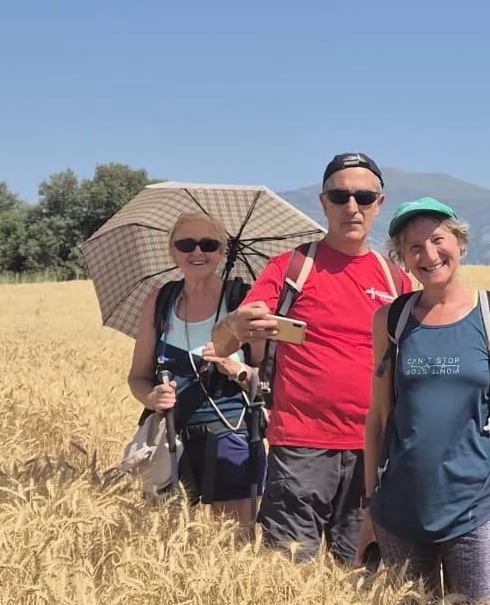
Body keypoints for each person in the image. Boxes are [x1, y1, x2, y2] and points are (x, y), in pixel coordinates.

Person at [214, 152, 407, 564]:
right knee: (288, 575)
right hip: (300, 446)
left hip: (373, 449)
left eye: (364, 197)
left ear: (379, 204)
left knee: (362, 576)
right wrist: (233, 324)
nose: (352, 207)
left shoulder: (396, 281)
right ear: (323, 203)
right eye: (339, 197)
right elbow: (223, 344)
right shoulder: (291, 269)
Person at [358, 198, 490, 605]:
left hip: (477, 507)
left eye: (438, 240)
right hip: (401, 509)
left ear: (461, 243)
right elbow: (378, 418)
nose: (429, 255)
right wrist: (370, 508)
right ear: (402, 257)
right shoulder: (392, 320)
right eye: (414, 247)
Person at [126, 212, 262, 533]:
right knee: (165, 540)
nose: (197, 252)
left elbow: (268, 380)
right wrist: (152, 397)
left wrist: (235, 368)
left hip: (231, 434)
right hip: (170, 436)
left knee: (234, 540)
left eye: (208, 244)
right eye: (186, 244)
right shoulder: (161, 300)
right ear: (172, 251)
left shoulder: (243, 302)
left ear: (222, 252)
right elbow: (137, 377)